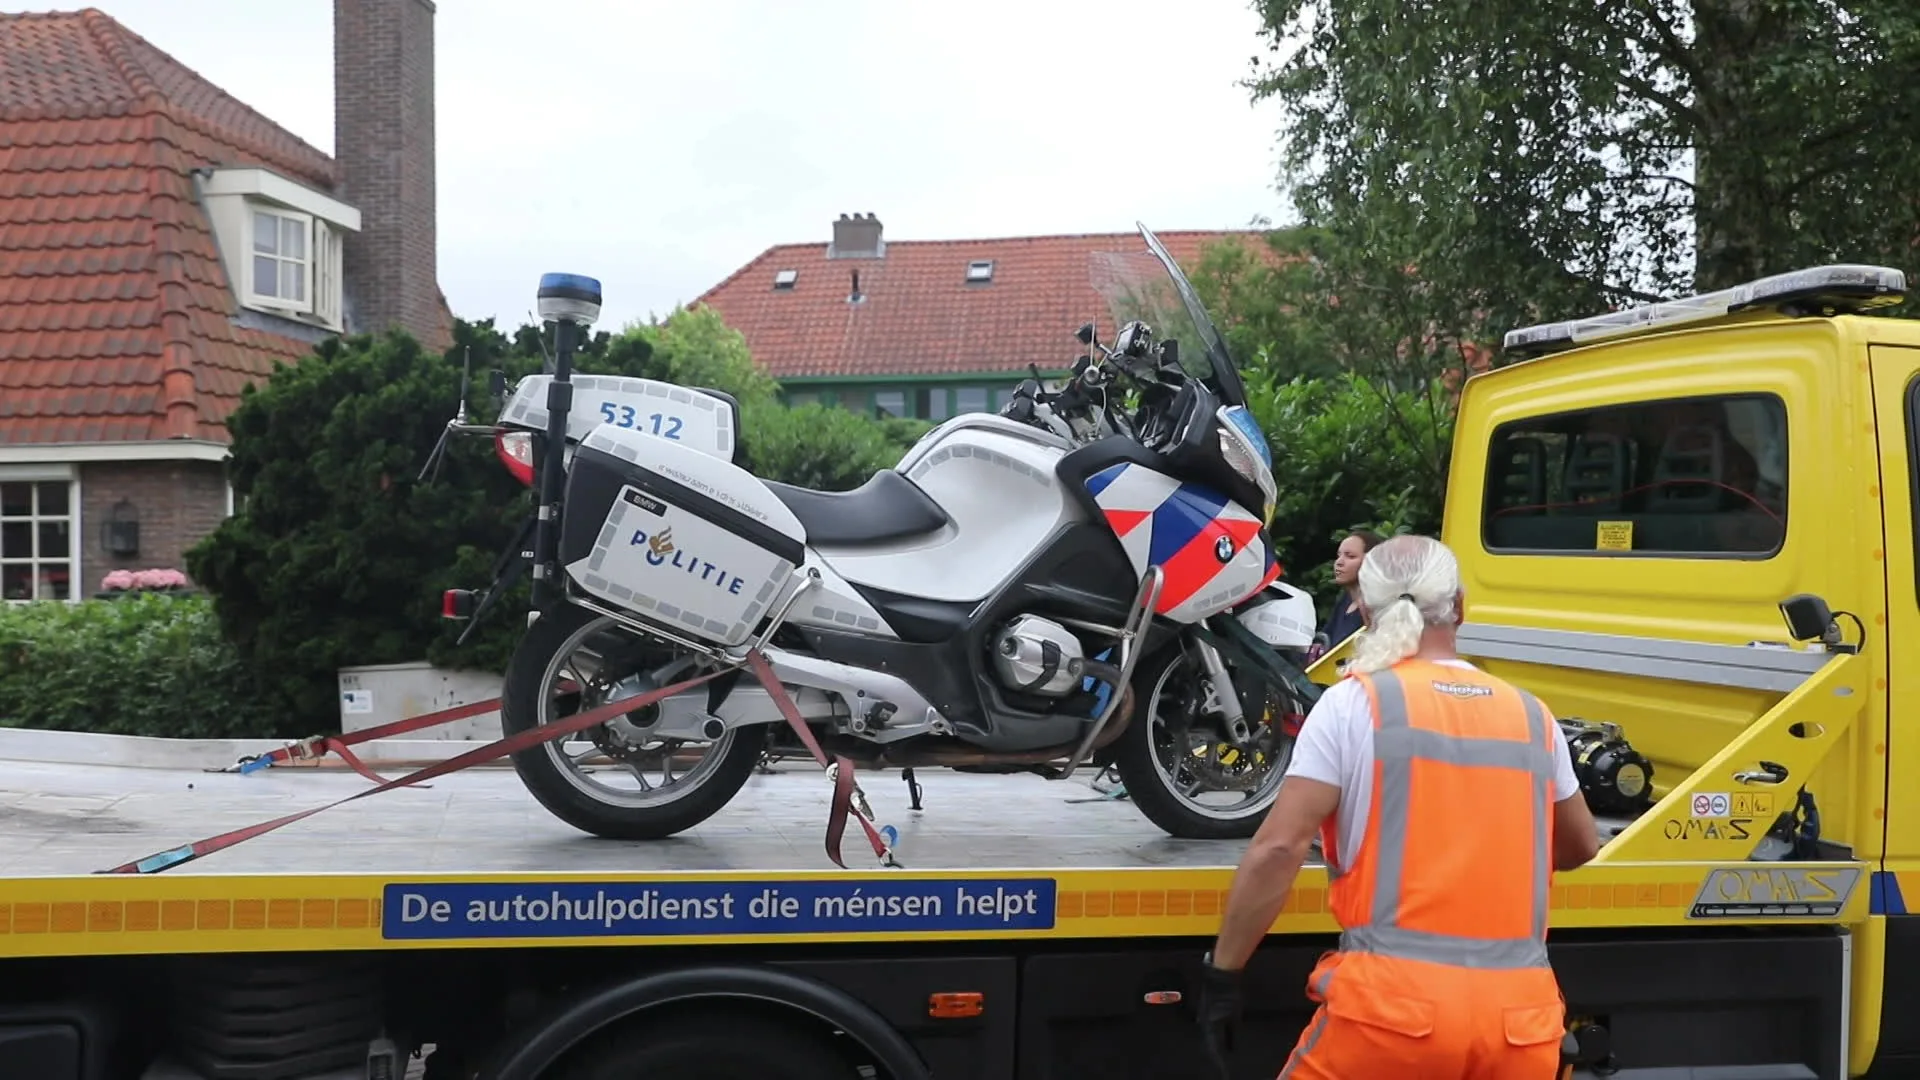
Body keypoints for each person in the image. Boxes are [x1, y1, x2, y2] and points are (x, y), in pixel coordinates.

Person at [1197, 534, 1599, 1079]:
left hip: (1391, 1018)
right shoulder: (1532, 716)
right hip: (1521, 1025)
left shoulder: (1352, 704)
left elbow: (1278, 849)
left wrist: (1224, 973)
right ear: (1459, 606)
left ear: (1363, 608)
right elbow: (1578, 847)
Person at [1312, 530, 1383, 661]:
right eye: (1339, 555)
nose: (1339, 562)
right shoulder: (1345, 600)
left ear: (1371, 562)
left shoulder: (1376, 608)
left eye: (1350, 556)